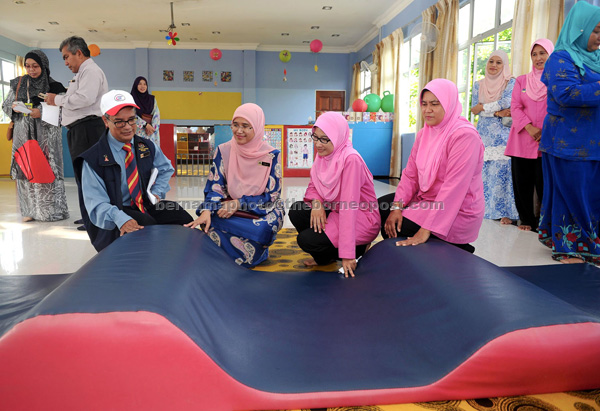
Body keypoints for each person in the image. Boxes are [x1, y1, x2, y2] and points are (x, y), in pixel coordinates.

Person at [74, 90, 193, 252]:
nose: (128, 127)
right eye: (119, 122)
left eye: (132, 120)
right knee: (146, 226)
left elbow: (166, 169)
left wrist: (156, 192)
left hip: (144, 204)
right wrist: (121, 219)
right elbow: (97, 204)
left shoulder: (146, 146)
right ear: (105, 121)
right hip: (116, 211)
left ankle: (179, 261)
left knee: (181, 217)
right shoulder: (93, 159)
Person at [379, 78, 484, 252]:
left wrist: (426, 229)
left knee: (397, 227)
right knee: (380, 210)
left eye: (435, 104)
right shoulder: (424, 134)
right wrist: (397, 207)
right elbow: (410, 175)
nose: (427, 110)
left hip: (457, 211)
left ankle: (459, 248)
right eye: (424, 104)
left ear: (448, 104)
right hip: (427, 200)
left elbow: (454, 188)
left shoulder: (465, 136)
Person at [538, 1, 600, 266]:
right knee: (571, 191)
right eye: (596, 30)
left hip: (593, 139)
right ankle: (569, 246)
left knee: (591, 192)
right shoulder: (560, 58)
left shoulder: (595, 59)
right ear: (580, 30)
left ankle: (590, 241)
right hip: (568, 140)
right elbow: (566, 94)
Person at [185, 103, 284, 268]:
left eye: (246, 126)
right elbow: (215, 185)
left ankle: (252, 255)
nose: (239, 130)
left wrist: (239, 203)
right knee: (209, 220)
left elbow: (272, 195)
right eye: (235, 125)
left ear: (257, 127)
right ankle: (226, 256)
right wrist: (208, 210)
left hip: (261, 207)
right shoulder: (223, 151)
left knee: (262, 229)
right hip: (227, 203)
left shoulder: (271, 155)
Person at [288, 112, 380, 278]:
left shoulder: (351, 160)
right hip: (336, 210)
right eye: (315, 137)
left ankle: (357, 249)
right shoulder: (324, 155)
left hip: (360, 218)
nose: (318, 144)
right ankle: (325, 258)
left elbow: (349, 207)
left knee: (306, 240)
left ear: (338, 137)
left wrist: (348, 254)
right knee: (298, 210)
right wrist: (317, 204)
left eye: (325, 139)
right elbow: (313, 186)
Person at [44, 36, 108, 230]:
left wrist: (57, 100)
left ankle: (95, 219)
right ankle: (89, 215)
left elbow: (84, 99)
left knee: (90, 176)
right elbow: (76, 97)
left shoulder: (91, 71)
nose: (65, 62)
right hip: (80, 129)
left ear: (78, 53)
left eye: (66, 57)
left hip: (87, 129)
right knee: (84, 176)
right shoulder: (82, 73)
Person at [2, 49, 69, 222]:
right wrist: (15, 107)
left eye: (35, 66)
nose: (31, 70)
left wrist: (40, 112)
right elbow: (6, 104)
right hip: (23, 133)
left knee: (47, 167)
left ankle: (51, 211)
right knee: (26, 169)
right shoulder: (18, 83)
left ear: (44, 66)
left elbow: (64, 110)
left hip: (45, 134)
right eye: (28, 66)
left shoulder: (55, 87)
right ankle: (29, 211)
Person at [505, 39, 554, 232]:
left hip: (547, 138)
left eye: (543, 53)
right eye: (534, 54)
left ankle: (546, 223)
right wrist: (530, 128)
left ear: (551, 55)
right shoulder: (522, 80)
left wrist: (545, 129)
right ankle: (526, 220)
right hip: (522, 138)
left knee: (545, 184)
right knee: (522, 182)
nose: (538, 58)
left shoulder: (556, 80)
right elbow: (515, 107)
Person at [471, 49, 519, 225]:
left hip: (502, 133)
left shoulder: (510, 82)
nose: (494, 65)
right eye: (491, 61)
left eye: (499, 62)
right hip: (483, 132)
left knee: (503, 171)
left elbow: (506, 103)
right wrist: (497, 112)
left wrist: (484, 108)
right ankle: (484, 209)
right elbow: (474, 108)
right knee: (483, 171)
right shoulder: (479, 84)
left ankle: (506, 212)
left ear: (504, 65)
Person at [130, 76, 160, 145]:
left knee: (152, 152)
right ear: (136, 85)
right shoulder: (131, 99)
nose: (142, 86)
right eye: (140, 84)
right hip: (138, 131)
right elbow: (131, 115)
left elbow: (156, 115)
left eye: (144, 84)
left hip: (151, 133)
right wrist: (145, 125)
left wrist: (152, 128)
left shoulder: (152, 99)